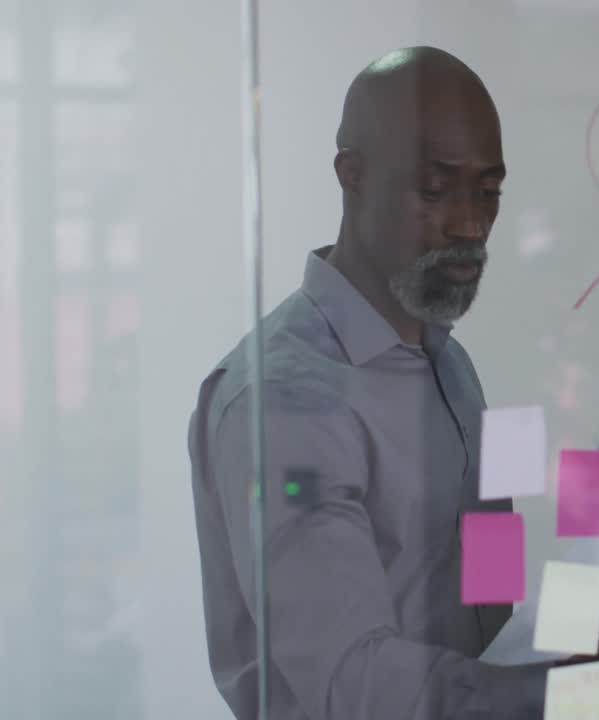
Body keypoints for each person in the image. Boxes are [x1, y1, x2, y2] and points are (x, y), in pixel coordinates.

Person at [187, 47, 543, 719]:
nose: (470, 224)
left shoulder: (449, 363)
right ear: (352, 176)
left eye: (488, 192)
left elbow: (493, 593)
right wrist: (572, 695)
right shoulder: (284, 403)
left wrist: (577, 644)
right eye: (434, 190)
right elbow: (356, 683)